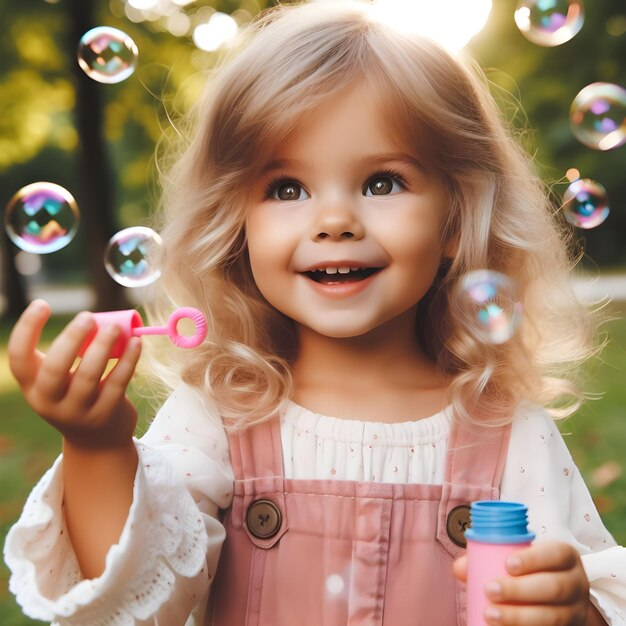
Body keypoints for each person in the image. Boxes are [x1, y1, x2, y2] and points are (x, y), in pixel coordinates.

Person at [4, 1, 626, 624]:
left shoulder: (509, 434)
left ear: (456, 220)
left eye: (382, 182)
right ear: (236, 226)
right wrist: (96, 448)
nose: (333, 222)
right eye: (287, 189)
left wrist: (572, 612)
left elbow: (595, 595)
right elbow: (141, 604)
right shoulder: (218, 419)